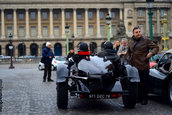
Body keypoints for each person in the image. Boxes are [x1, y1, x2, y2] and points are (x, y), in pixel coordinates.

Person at [126, 27, 159, 105]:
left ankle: (144, 99)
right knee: (137, 83)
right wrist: (129, 58)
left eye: (139, 31)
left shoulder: (146, 40)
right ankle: (138, 98)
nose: (138, 33)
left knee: (144, 84)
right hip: (134, 66)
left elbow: (156, 47)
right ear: (133, 34)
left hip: (143, 65)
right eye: (136, 32)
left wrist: (151, 53)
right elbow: (128, 52)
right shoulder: (131, 41)